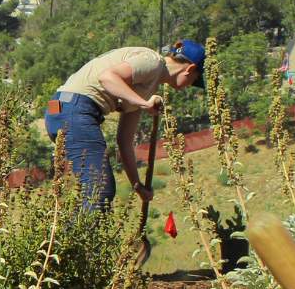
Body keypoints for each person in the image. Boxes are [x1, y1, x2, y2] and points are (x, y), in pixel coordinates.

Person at [44, 39, 203, 209]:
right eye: (195, 81)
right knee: (99, 190)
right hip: (72, 109)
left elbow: (124, 141)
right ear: (190, 69)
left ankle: (68, 232)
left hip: (57, 107)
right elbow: (107, 77)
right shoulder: (153, 62)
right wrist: (144, 103)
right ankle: (71, 236)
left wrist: (137, 185)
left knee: (94, 188)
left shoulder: (145, 87)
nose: (190, 87)